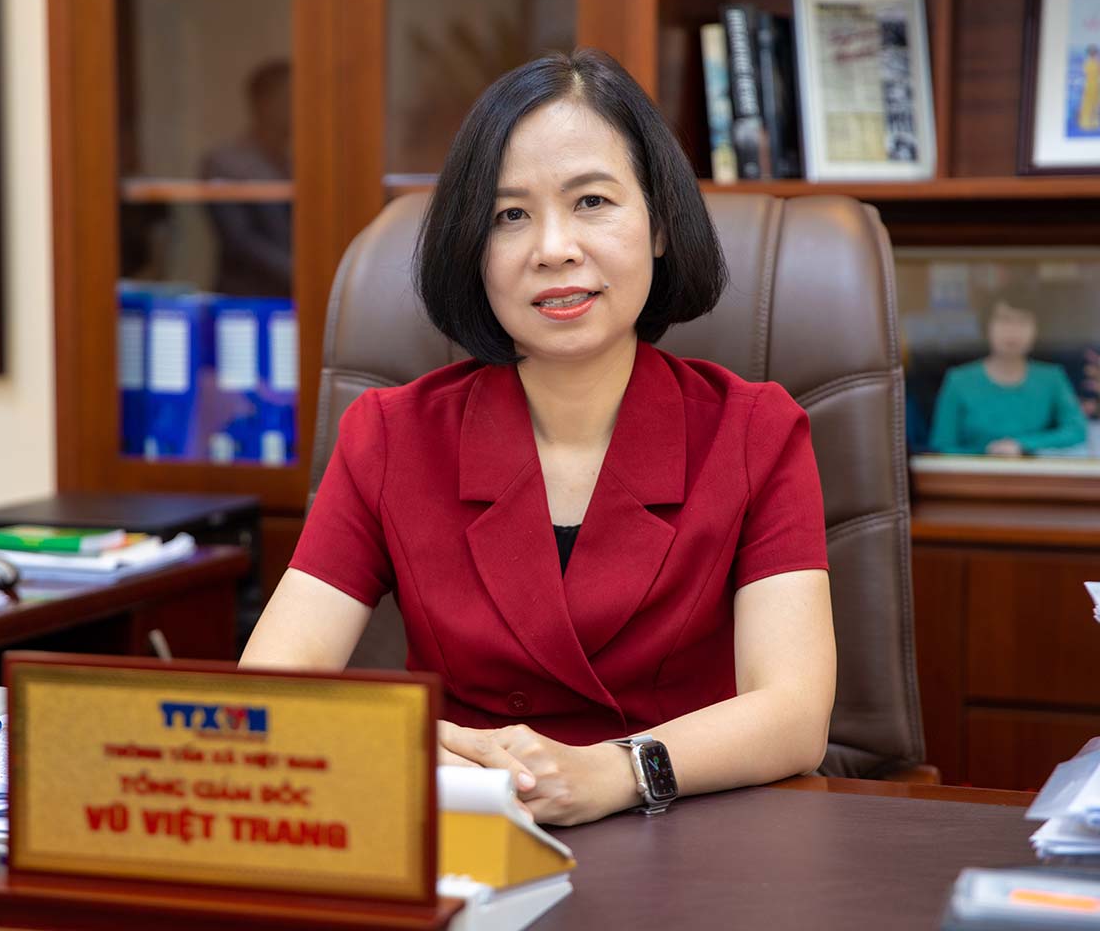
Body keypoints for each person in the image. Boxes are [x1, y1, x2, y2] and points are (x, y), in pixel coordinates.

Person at [240, 49, 835, 826]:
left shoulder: (754, 431)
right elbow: (271, 689)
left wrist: (617, 771)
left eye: (592, 201)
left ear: (659, 224)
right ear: (473, 250)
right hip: (466, 830)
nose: (553, 247)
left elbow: (794, 714)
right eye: (509, 215)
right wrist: (412, 749)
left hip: (686, 829)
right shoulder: (391, 437)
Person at [929, 298, 1088, 456]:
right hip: (972, 471)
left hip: (1035, 470)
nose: (1013, 331)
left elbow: (1076, 431)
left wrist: (1023, 444)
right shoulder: (958, 380)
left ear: (1036, 329)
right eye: (1004, 320)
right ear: (986, 326)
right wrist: (986, 453)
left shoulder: (1052, 378)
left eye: (1023, 322)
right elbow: (942, 447)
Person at [200, 60, 292, 298]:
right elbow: (240, 241)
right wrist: (303, 273)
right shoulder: (226, 164)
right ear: (262, 103)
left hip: (293, 296)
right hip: (247, 301)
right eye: (288, 97)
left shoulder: (294, 164)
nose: (296, 106)